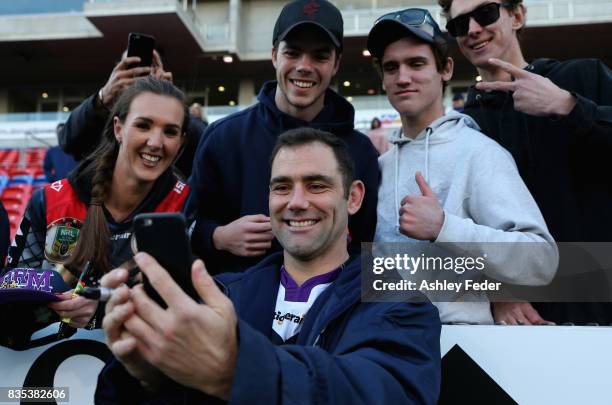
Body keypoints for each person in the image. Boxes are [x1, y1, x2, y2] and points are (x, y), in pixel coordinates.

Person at [96, 127, 441, 405]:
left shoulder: (401, 302)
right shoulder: (219, 293)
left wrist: (235, 370)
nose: (296, 202)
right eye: (282, 187)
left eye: (316, 185)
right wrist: (145, 376)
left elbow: (385, 395)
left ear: (353, 198)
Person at [366, 8, 558, 324]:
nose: (403, 77)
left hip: (462, 347)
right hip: (381, 346)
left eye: (416, 64)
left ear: (445, 70)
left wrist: (444, 227)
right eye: (391, 67)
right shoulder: (379, 167)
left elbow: (540, 258)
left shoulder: (479, 153)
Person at [439, 0, 612, 324]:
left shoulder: (580, 77)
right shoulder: (463, 127)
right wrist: (496, 290)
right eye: (459, 25)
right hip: (523, 322)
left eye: (485, 14)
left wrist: (569, 107)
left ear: (517, 16)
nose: (473, 30)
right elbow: (460, 231)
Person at [189, 0, 380, 275]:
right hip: (236, 310)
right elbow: (186, 223)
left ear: (336, 64)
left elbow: (366, 247)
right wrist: (217, 237)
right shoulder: (224, 138)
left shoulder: (360, 151)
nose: (304, 66)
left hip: (329, 312)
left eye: (320, 56)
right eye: (293, 52)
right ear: (274, 56)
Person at [3, 77, 191, 342]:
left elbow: (188, 308)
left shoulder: (186, 207)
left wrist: (101, 310)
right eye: (143, 125)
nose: (155, 142)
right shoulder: (49, 201)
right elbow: (8, 288)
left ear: (181, 142)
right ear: (118, 128)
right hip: (41, 375)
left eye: (170, 132)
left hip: (142, 373)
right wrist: (50, 301)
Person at [58, 50, 205, 179]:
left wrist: (171, 102)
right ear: (118, 128)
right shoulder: (101, 111)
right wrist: (102, 98)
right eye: (131, 66)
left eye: (148, 67)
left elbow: (204, 146)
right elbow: (68, 141)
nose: (154, 143)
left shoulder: (181, 124)